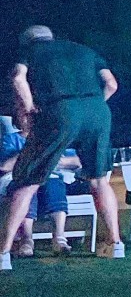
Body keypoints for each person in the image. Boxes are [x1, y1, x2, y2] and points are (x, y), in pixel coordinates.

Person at [2, 26, 123, 270]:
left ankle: (3, 252)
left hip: (59, 111)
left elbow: (17, 77)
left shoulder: (31, 53)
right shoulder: (85, 51)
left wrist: (29, 108)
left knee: (28, 181)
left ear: (27, 42)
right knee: (99, 180)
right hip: (98, 111)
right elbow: (111, 84)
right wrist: (91, 106)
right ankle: (115, 243)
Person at [1, 115, 81, 256]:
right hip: (19, 179)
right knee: (27, 188)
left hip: (49, 177)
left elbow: (77, 160)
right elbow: (5, 166)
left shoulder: (53, 139)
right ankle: (27, 239)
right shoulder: (11, 140)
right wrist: (29, 152)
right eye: (25, 116)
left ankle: (59, 237)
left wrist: (58, 161)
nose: (30, 120)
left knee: (54, 184)